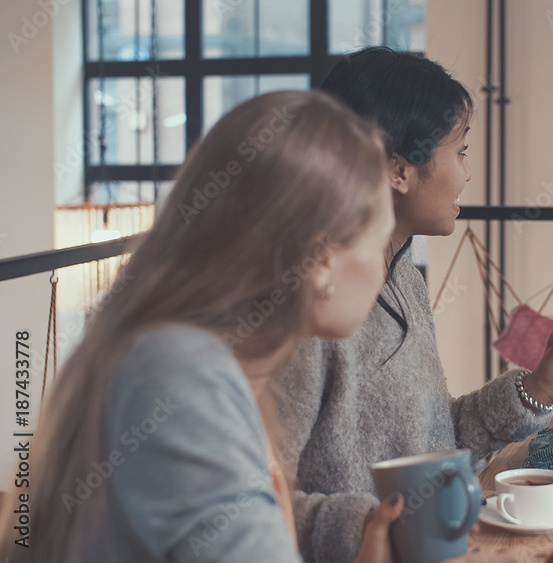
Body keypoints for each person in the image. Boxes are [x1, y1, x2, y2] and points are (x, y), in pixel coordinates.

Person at [0, 91, 490, 563]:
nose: (388, 264)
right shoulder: (181, 381)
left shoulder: (199, 362)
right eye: (379, 236)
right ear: (320, 259)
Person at [270, 47, 553, 562]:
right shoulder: (305, 303)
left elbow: (433, 445)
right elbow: (258, 501)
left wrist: (539, 388)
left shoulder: (405, 282)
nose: (467, 173)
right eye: (461, 150)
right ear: (399, 170)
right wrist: (372, 529)